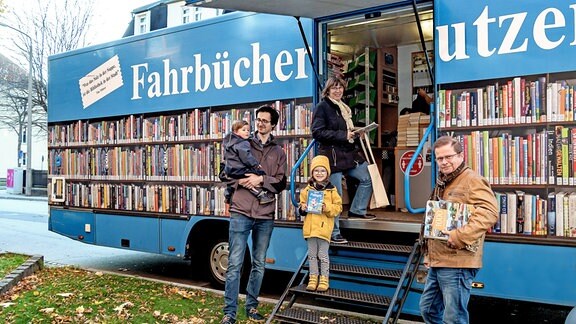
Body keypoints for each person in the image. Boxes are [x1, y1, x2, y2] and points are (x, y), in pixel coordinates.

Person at [419, 135, 498, 324]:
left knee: (454, 318)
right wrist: (429, 255)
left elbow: (489, 212)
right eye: (439, 158)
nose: (444, 162)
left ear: (461, 156)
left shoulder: (472, 180)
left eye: (449, 157)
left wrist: (460, 236)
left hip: (458, 261)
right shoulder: (444, 181)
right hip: (439, 260)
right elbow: (436, 220)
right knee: (428, 310)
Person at [221, 105, 287, 324]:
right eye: (258, 120)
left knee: (259, 264)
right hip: (240, 210)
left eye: (265, 121)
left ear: (273, 125)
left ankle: (251, 307)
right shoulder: (242, 141)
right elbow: (224, 172)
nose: (260, 124)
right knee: (234, 264)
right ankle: (229, 313)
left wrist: (261, 180)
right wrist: (240, 180)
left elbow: (281, 182)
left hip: (265, 215)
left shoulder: (279, 152)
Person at [311, 75, 375, 245]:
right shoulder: (322, 107)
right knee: (335, 196)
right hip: (332, 157)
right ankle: (334, 232)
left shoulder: (343, 108)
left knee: (368, 176)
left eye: (340, 87)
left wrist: (354, 132)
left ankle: (356, 210)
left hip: (347, 153)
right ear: (328, 90)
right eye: (334, 88)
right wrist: (343, 135)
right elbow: (317, 132)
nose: (338, 90)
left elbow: (342, 128)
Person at [298, 155, 342, 292]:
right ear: (312, 173)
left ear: (327, 173)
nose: (319, 173)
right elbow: (302, 206)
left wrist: (326, 207)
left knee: (323, 255)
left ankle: (324, 278)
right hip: (310, 229)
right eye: (316, 171)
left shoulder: (332, 190)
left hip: (324, 229)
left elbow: (338, 208)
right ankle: (313, 278)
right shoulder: (307, 190)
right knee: (311, 255)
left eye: (323, 171)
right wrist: (302, 208)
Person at [222, 120, 275, 205]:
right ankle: (260, 195)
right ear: (236, 131)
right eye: (243, 130)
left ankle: (228, 194)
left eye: (248, 130)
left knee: (238, 180)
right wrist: (256, 165)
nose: (247, 132)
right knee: (257, 174)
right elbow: (246, 157)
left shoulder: (229, 142)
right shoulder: (242, 143)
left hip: (230, 169)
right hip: (239, 169)